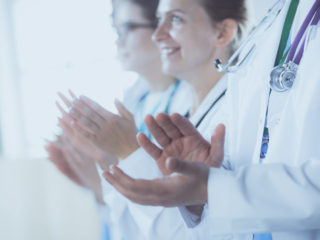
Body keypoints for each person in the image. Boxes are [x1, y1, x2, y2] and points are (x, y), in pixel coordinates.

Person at [103, 0, 320, 239]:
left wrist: (210, 187)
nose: (158, 35)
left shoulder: (229, 100)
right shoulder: (273, 26)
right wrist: (203, 196)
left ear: (223, 32)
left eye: (175, 19)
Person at [46, 0, 191, 239]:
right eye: (116, 30)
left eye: (128, 28)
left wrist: (110, 167)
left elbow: (180, 221)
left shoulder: (185, 102)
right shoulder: (136, 99)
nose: (118, 40)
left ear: (162, 27)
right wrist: (99, 183)